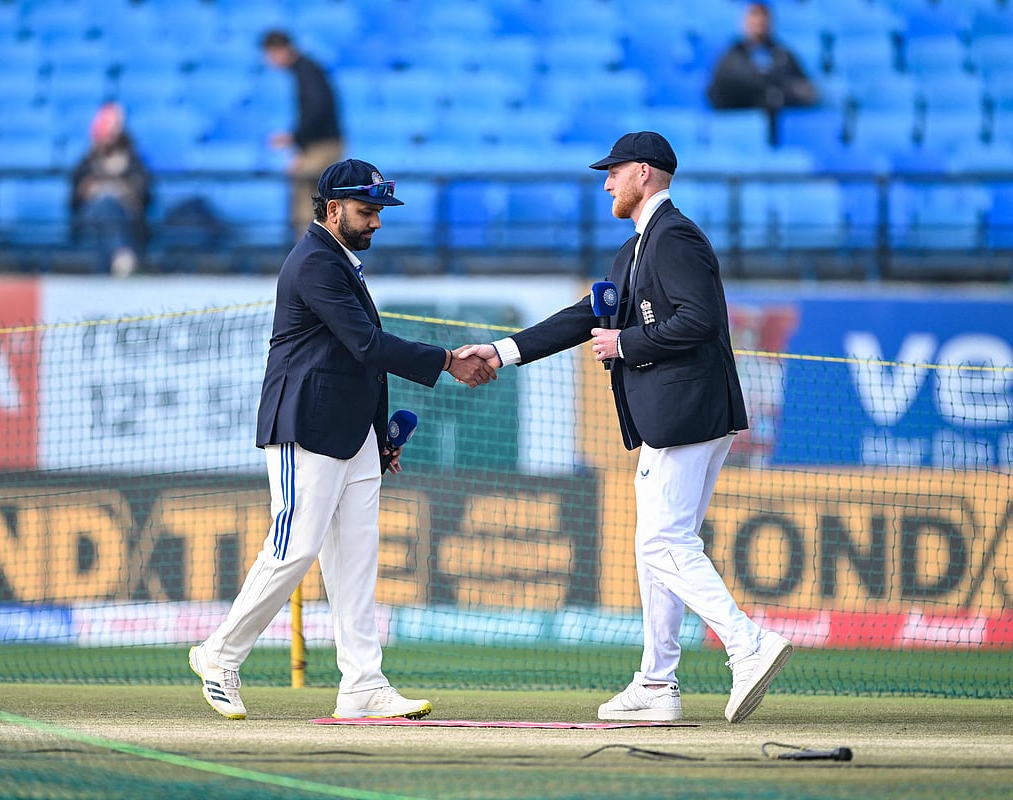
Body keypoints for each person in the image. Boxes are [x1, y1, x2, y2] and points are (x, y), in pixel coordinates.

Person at [460, 132, 793, 724]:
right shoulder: (635, 248)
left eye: (613, 172)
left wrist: (627, 342)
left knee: (664, 543)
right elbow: (584, 316)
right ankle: (657, 684)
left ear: (644, 172)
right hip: (676, 414)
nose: (606, 182)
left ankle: (748, 644)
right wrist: (501, 350)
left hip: (685, 413)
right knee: (655, 547)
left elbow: (703, 320)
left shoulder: (674, 236)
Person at [189, 158, 495, 720]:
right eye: (366, 211)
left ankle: (362, 685)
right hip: (304, 425)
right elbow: (366, 345)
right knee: (294, 546)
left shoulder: (340, 262)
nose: (376, 222)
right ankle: (218, 653)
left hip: (351, 434)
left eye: (378, 211)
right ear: (333, 209)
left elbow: (361, 362)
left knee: (356, 559)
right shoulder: (315, 262)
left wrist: (380, 437)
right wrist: (449, 359)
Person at [260, 30, 344, 242]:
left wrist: (294, 138)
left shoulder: (306, 71)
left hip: (323, 145)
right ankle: (315, 253)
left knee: (309, 200)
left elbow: (317, 109)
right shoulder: (306, 70)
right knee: (315, 199)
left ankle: (310, 254)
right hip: (318, 144)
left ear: (280, 50)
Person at [705, 1, 818, 144]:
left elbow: (807, 91)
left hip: (780, 130)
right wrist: (767, 93)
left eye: (764, 16)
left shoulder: (784, 55)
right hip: (738, 131)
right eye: (754, 15)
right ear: (744, 21)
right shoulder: (730, 56)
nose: (759, 21)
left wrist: (780, 94)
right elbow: (717, 93)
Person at [69, 102, 151, 277]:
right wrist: (93, 189)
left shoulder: (133, 161)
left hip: (126, 219)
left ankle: (117, 257)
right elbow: (74, 199)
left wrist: (119, 189)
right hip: (91, 221)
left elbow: (144, 194)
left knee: (110, 204)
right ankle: (120, 256)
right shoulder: (87, 161)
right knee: (104, 204)